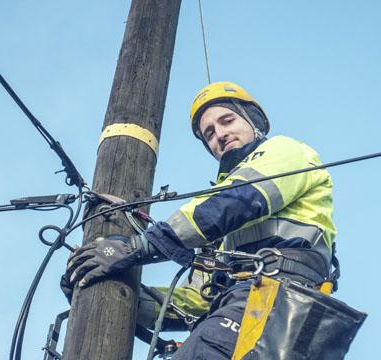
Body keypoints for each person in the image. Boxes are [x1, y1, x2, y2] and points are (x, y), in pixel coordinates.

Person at [62, 81, 338, 359]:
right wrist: (106, 292)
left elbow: (236, 202)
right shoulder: (227, 242)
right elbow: (197, 301)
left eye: (227, 120)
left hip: (281, 298)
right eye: (209, 133)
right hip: (246, 302)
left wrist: (137, 246)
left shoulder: (287, 151)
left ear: (253, 120)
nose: (220, 134)